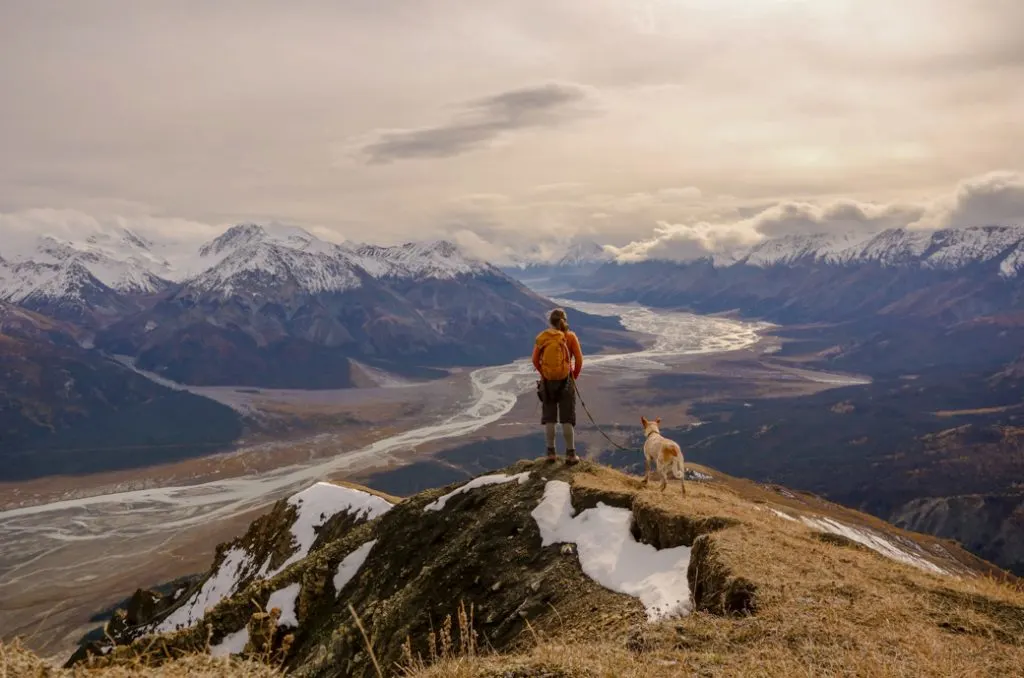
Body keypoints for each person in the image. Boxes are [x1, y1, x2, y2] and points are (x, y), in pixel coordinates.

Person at [532, 308, 584, 465]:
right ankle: (571, 454)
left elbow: (535, 359)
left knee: (550, 418)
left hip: (547, 382)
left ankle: (551, 453)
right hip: (566, 381)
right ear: (565, 320)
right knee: (567, 418)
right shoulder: (570, 336)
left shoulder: (544, 337)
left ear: (551, 322)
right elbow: (579, 360)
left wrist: (544, 374)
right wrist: (572, 376)